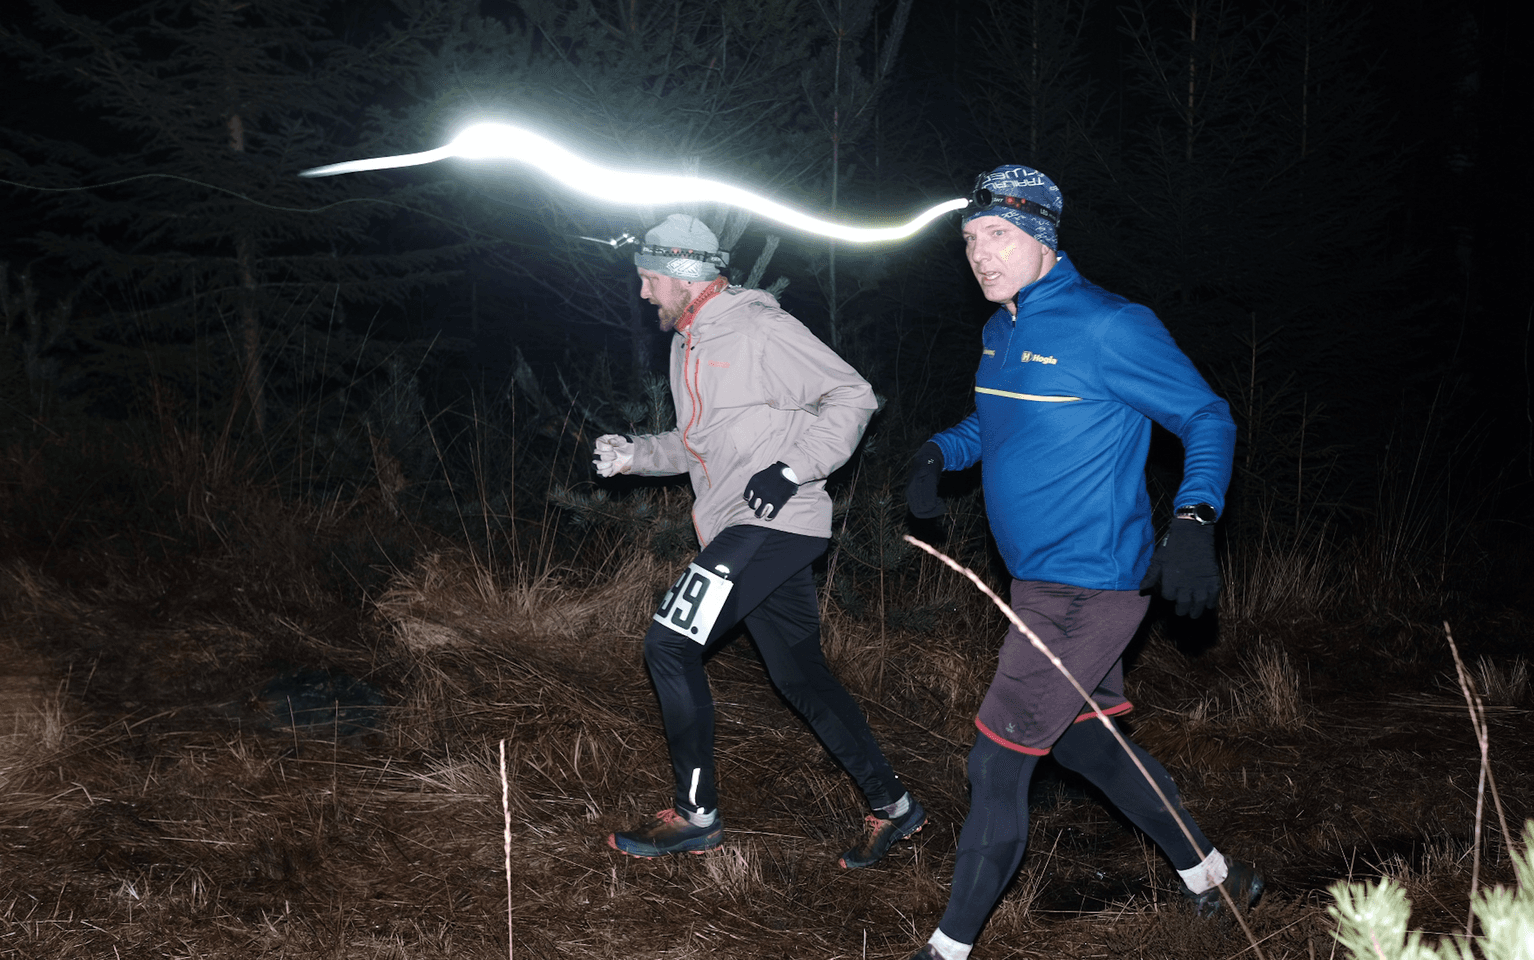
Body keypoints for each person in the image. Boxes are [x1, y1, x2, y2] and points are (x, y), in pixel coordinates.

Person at [901, 167, 1261, 960]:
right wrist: (939, 452)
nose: (980, 256)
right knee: (1084, 743)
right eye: (968, 241)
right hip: (1035, 580)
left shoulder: (1109, 325)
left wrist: (1195, 519)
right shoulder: (1004, 325)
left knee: (995, 764)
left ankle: (946, 951)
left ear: (1041, 237)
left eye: (997, 236)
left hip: (1086, 588)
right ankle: (1217, 880)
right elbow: (996, 419)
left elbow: (1206, 414)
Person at [592, 213, 925, 868]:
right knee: (801, 676)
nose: (643, 294)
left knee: (668, 642)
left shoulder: (756, 326)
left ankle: (697, 817)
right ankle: (896, 808)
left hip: (773, 520)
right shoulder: (686, 342)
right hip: (739, 527)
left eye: (651, 279)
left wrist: (794, 469)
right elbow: (697, 449)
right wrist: (633, 454)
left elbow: (853, 395)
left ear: (686, 275)